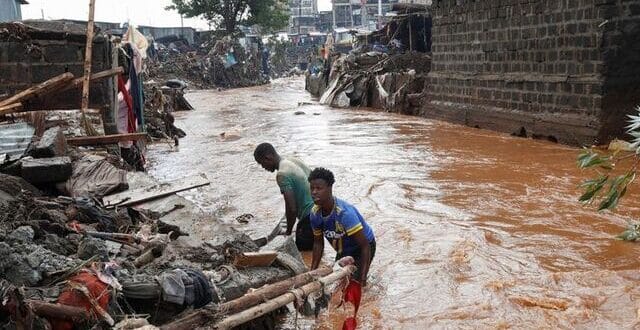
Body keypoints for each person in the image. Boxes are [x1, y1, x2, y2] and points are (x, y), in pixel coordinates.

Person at [308, 168, 376, 286]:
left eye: (319, 188)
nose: (314, 192)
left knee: (355, 283)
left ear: (330, 188)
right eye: (312, 188)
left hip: (363, 247)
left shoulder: (344, 213)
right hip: (343, 249)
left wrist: (362, 279)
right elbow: (318, 243)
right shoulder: (315, 214)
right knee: (338, 282)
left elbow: (365, 246)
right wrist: (311, 274)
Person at [254, 143, 314, 250]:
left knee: (304, 253)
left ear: (268, 158)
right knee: (316, 247)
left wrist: (289, 231)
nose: (263, 167)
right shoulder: (293, 160)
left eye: (262, 163)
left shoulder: (282, 174)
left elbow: (292, 208)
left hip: (308, 218)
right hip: (320, 211)